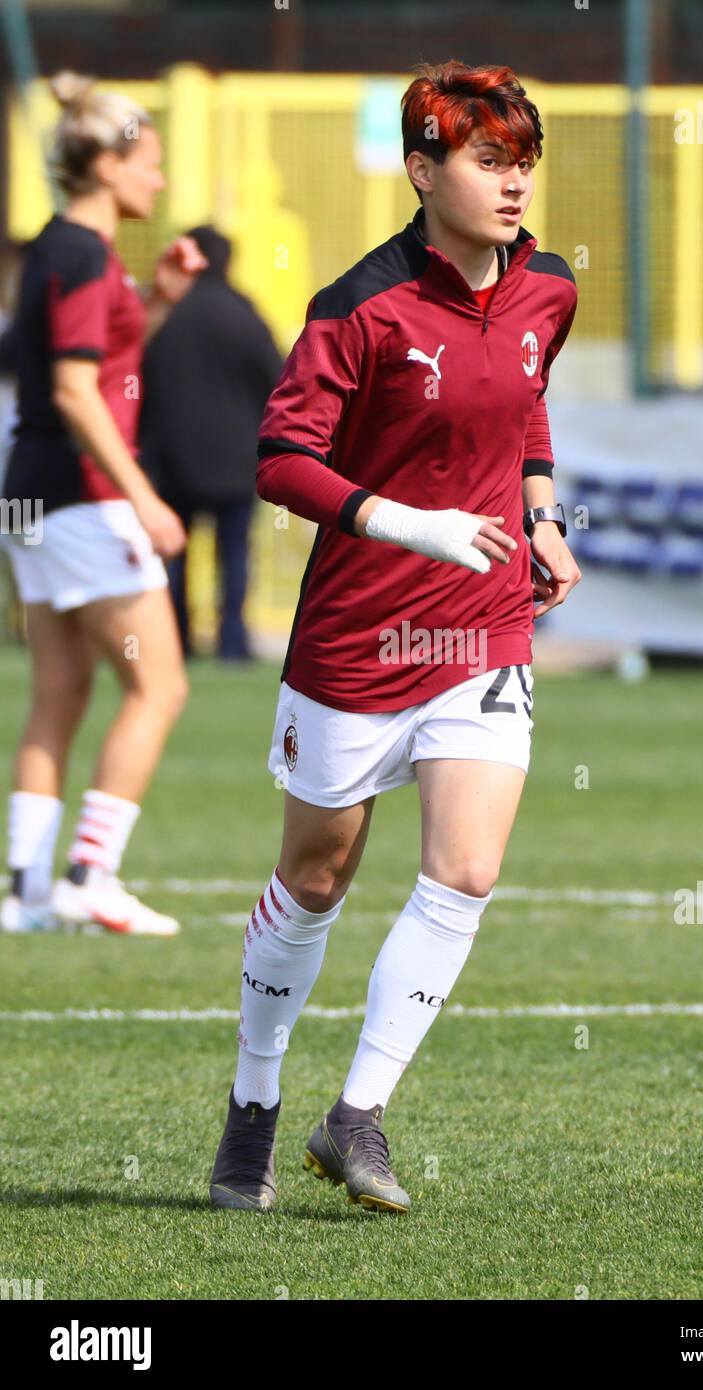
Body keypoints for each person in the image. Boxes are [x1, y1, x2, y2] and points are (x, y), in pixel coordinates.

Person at [209, 60, 581, 1214]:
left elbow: (520, 400)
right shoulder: (357, 306)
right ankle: (254, 1107)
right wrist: (405, 521)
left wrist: (541, 514)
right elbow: (278, 459)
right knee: (315, 876)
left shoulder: (548, 288)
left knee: (464, 870)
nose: (513, 182)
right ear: (422, 172)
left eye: (523, 161)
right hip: (358, 635)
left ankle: (356, 1114)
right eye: (487, 161)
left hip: (482, 626)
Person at [0, 70, 206, 936]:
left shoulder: (56, 245)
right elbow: (78, 392)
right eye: (149, 163)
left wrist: (155, 302)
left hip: (27, 495)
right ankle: (91, 872)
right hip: (82, 496)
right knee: (159, 687)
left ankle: (23, 889)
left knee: (60, 688)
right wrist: (146, 497)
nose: (158, 182)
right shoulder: (83, 253)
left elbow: (93, 366)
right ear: (111, 163)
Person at [139, 225, 283, 660]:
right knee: (235, 552)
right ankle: (232, 641)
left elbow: (139, 383)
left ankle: (178, 639)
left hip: (173, 458)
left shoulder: (166, 316)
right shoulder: (245, 315)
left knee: (175, 554)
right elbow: (277, 383)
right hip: (237, 460)